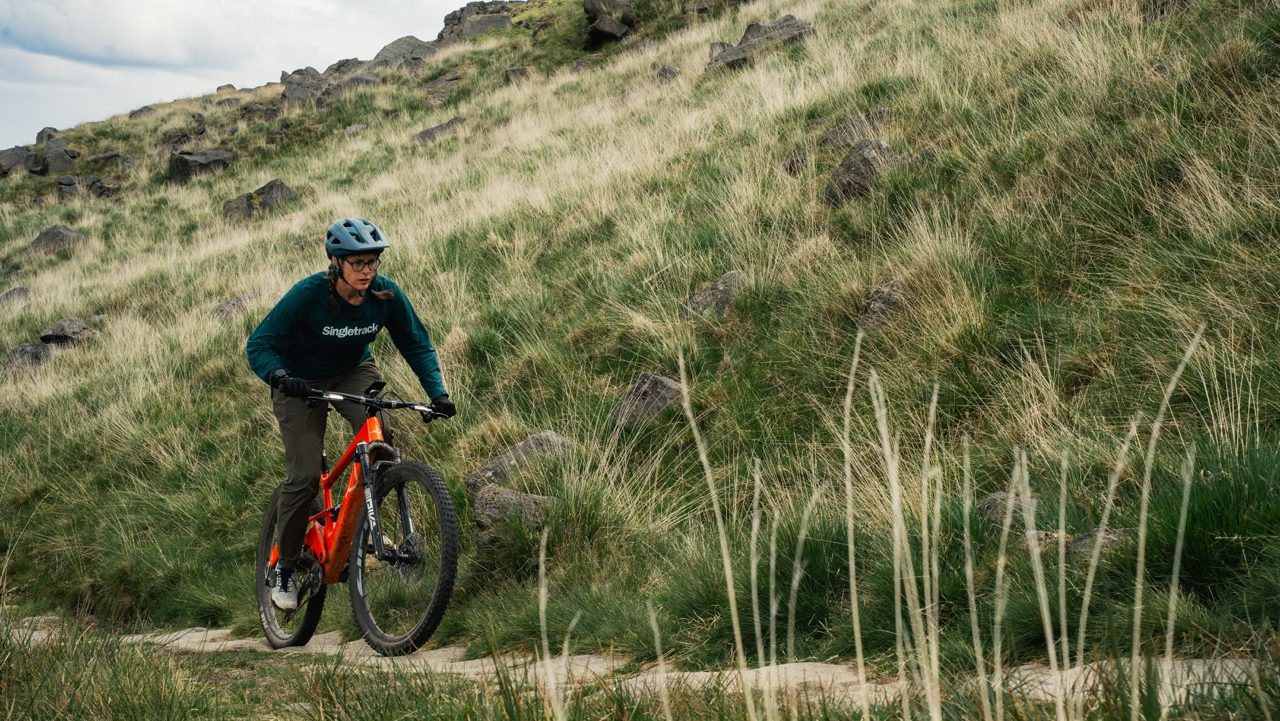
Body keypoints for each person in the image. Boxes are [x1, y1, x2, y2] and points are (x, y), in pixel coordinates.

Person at [246, 217, 455, 611]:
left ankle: (367, 526)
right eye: (357, 262)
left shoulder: (385, 295)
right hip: (298, 382)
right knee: (305, 475)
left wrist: (438, 394)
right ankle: (285, 568)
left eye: (372, 262)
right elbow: (259, 344)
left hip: (352, 372)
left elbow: (416, 343)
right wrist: (280, 376)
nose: (367, 270)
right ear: (336, 262)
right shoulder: (308, 295)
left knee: (379, 439)